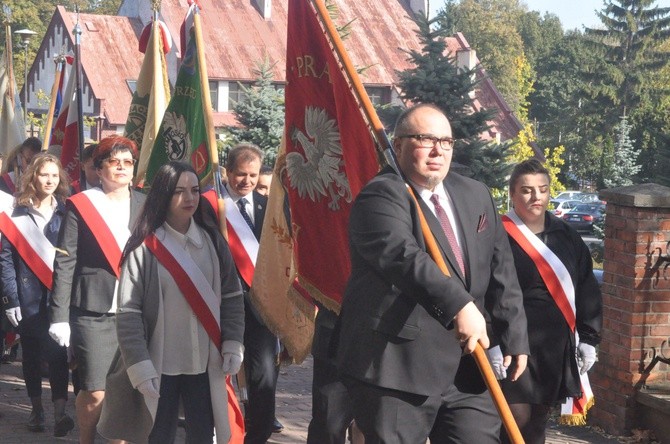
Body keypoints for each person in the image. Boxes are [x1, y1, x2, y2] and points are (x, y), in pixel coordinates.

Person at [336, 103, 530, 443]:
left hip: (469, 369)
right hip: (397, 370)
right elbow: (404, 259)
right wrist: (460, 305)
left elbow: (501, 270)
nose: (438, 150)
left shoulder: (476, 194)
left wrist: (514, 334)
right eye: (425, 139)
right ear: (398, 146)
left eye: (447, 141)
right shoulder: (381, 195)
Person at [97, 161, 245, 443]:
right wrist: (139, 366)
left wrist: (232, 343)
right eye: (179, 191)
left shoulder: (213, 241)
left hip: (204, 362)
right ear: (164, 195)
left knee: (202, 436)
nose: (189, 198)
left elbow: (232, 297)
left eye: (194, 190)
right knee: (159, 435)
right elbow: (128, 314)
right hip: (159, 363)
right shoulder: (144, 249)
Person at [48, 135, 146, 444]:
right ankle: (87, 439)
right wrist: (58, 316)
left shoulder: (147, 204)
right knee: (95, 390)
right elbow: (65, 262)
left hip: (138, 311)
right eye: (113, 162)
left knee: (131, 387)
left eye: (127, 162)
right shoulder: (81, 205)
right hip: (93, 312)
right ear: (99, 169)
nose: (121, 168)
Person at [497, 159, 602, 444]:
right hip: (511, 343)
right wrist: (492, 339)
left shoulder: (565, 235)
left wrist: (589, 338)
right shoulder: (497, 233)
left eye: (542, 190)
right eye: (527, 190)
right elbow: (486, 289)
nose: (536, 197)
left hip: (552, 346)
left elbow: (585, 285)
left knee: (537, 421)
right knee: (513, 418)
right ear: (512, 193)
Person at [208, 143, 280, 443]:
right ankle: (219, 430)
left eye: (253, 175)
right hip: (220, 303)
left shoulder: (268, 207)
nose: (247, 181)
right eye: (240, 174)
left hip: (260, 306)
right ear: (227, 171)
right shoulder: (209, 206)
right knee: (218, 371)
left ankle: (259, 434)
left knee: (263, 373)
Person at [0, 154, 75, 436]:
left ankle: (59, 412)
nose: (50, 180)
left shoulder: (66, 212)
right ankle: (36, 409)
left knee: (58, 353)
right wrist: (10, 299)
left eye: (55, 176)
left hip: (57, 296)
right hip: (27, 296)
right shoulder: (16, 214)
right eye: (44, 175)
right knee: (30, 356)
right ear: (33, 176)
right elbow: (5, 260)